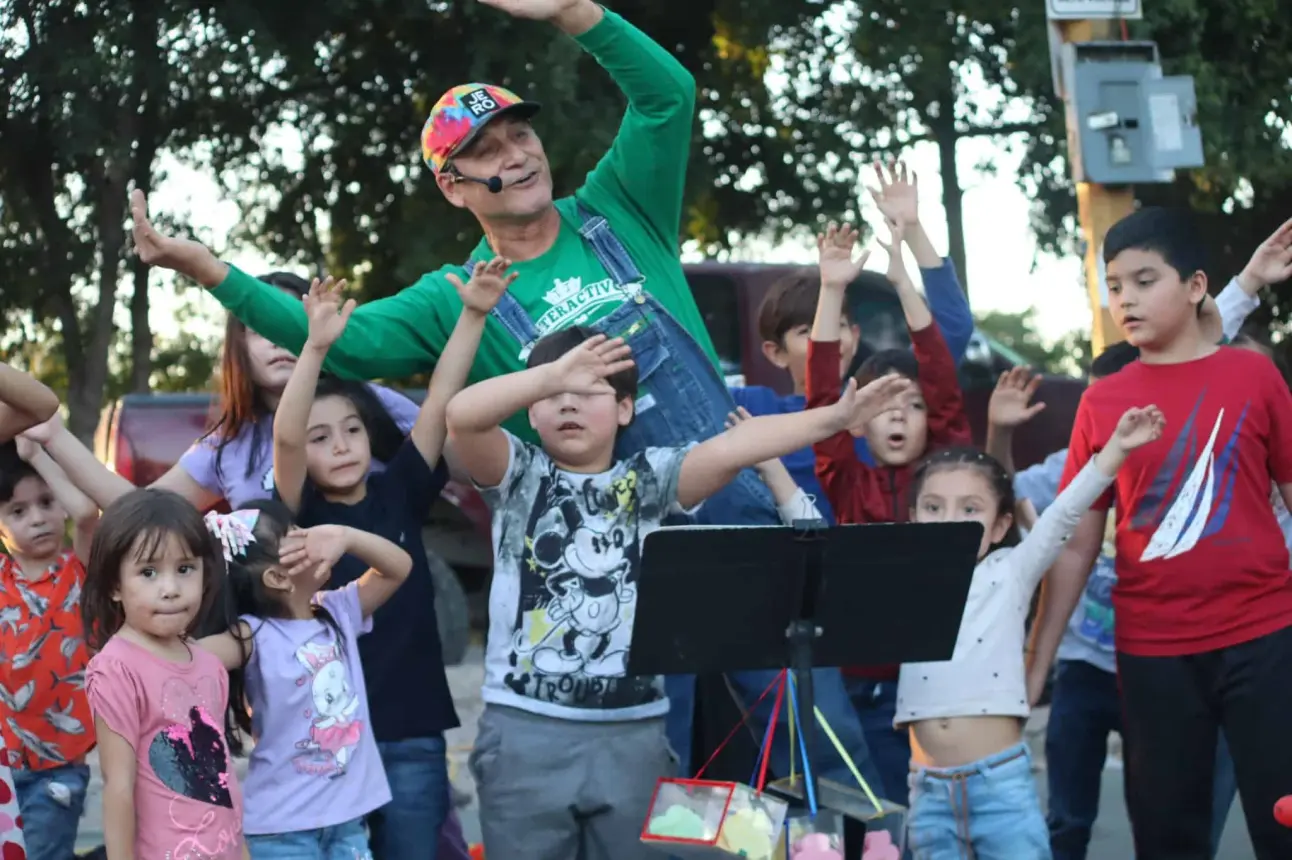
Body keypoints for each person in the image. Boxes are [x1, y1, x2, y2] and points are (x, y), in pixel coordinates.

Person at [444, 327, 911, 860]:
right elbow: (462, 416)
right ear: (530, 409)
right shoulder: (517, 474)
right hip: (524, 736)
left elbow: (736, 446)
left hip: (635, 735)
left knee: (685, 846)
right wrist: (553, 373)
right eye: (553, 396)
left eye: (588, 390)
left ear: (625, 409)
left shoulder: (651, 480)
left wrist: (833, 419)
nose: (567, 402)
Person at [1028, 207, 1292, 860]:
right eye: (1114, 285)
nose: (1125, 299)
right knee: (1167, 834)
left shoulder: (1255, 377)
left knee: (1283, 821)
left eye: (1145, 281)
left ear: (1196, 285)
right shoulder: (1102, 402)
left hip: (1264, 637)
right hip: (1152, 650)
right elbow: (1078, 545)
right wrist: (1034, 669)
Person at [265, 268, 501, 859]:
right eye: (323, 438)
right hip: (327, 742)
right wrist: (315, 347)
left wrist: (472, 314)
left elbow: (441, 401)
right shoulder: (298, 511)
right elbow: (286, 439)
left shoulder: (400, 490)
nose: (340, 444)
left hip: (412, 733)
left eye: (351, 430)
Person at [805, 219, 971, 803]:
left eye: (914, 405)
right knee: (879, 825)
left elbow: (945, 377)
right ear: (857, 420)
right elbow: (822, 398)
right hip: (866, 693)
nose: (899, 416)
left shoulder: (947, 475)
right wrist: (831, 290)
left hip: (945, 691)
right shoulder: (847, 482)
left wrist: (904, 284)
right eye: (882, 404)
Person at [196, 503, 412, 859]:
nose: (315, 537)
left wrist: (346, 536)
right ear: (278, 578)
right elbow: (185, 659)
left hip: (347, 821)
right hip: (282, 830)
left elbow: (398, 567)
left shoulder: (337, 612)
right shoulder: (255, 634)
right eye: (298, 537)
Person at [83, 489, 245, 860]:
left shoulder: (208, 664)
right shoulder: (117, 669)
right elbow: (118, 788)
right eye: (148, 572)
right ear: (114, 586)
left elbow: (223, 777)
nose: (170, 589)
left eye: (185, 569)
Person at [0, 429, 99, 860]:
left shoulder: (78, 568)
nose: (38, 518)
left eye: (46, 503)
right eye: (18, 510)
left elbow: (87, 511)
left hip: (59, 765)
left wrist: (37, 456)